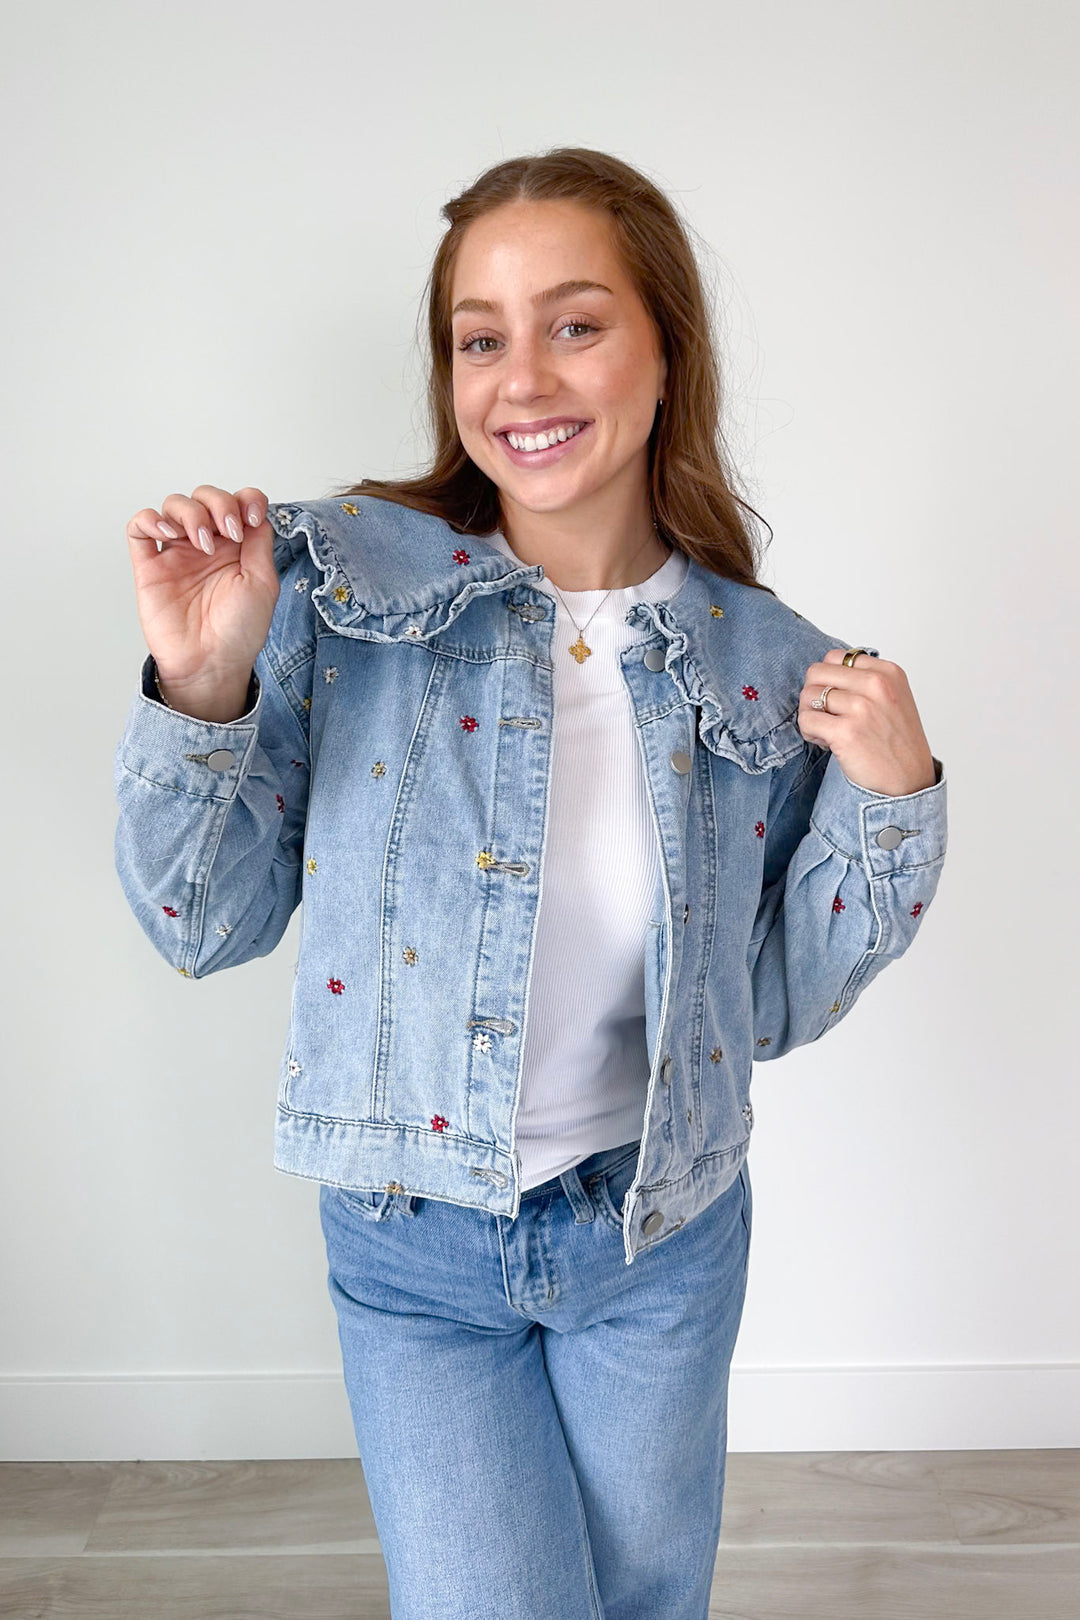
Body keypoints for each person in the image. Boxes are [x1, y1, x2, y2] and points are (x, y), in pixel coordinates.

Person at [114, 147, 947, 1620]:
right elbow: (201, 924)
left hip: (659, 1239)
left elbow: (761, 1006)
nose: (523, 379)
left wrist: (892, 806)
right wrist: (203, 682)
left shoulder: (766, 666)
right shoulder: (348, 596)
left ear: (666, 350)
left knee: (641, 1606)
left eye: (575, 324)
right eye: (480, 338)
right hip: (413, 1240)